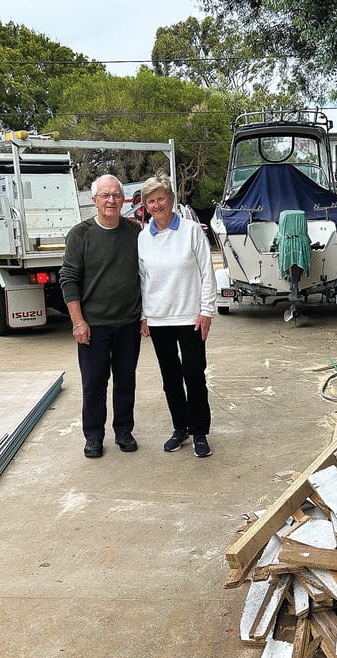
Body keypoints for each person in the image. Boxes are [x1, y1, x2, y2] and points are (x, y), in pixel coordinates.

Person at [59, 175, 143, 459]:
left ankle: (124, 430)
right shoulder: (80, 235)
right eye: (105, 195)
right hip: (93, 326)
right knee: (94, 383)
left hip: (128, 323)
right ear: (94, 200)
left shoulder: (134, 232)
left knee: (126, 381)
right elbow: (69, 279)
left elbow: (146, 274)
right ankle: (94, 436)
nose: (111, 200)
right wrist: (78, 322)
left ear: (123, 199)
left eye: (116, 195)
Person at [137, 174, 217, 458]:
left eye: (161, 198)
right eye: (151, 201)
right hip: (158, 319)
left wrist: (206, 310)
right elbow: (143, 279)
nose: (156, 205)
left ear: (171, 200)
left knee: (193, 374)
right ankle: (180, 428)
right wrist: (144, 316)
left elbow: (207, 271)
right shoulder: (143, 238)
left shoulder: (191, 231)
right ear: (145, 206)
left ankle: (199, 432)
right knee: (170, 377)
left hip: (190, 316)